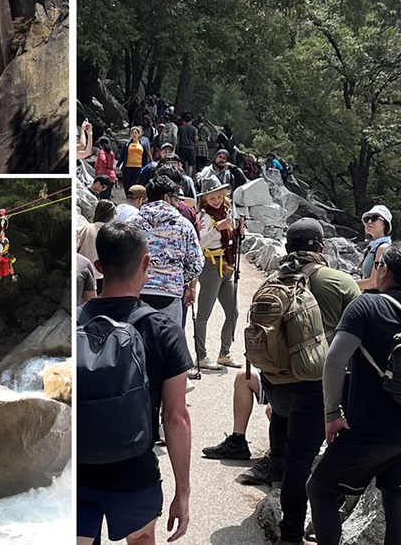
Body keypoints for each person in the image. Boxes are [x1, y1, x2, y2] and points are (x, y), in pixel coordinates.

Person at [214, 219, 360, 544]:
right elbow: (358, 338)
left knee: (281, 429)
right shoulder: (340, 282)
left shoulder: (274, 279)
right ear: (320, 247)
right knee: (301, 458)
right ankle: (291, 532)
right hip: (315, 386)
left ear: (288, 246)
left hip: (275, 381)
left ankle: (276, 493)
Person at [77, 221, 193, 545]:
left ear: (99, 268)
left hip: (76, 470)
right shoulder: (163, 329)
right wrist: (182, 493)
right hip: (133, 472)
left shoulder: (70, 322)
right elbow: (176, 417)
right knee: (141, 538)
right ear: (145, 263)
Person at [310, 242, 401, 545]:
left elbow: (334, 361)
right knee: (399, 502)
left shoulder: (366, 305)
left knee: (320, 489)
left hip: (371, 427)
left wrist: (332, 414)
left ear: (383, 270)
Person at [133, 177, 203, 330]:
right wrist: (177, 277)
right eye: (177, 199)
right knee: (168, 346)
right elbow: (196, 263)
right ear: (166, 197)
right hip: (170, 294)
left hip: (137, 292)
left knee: (138, 346)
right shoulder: (184, 225)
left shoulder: (132, 223)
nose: (179, 204)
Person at [193, 178, 242, 370]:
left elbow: (229, 237)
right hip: (211, 266)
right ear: (205, 198)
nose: (216, 200)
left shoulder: (225, 212)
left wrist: (237, 232)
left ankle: (224, 353)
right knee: (204, 313)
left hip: (225, 266)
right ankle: (201, 355)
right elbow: (200, 242)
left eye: (219, 196)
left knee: (233, 312)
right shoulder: (205, 217)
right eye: (212, 197)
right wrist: (216, 230)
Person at [78, 200, 115, 293]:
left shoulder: (85, 228)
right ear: (112, 215)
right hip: (104, 276)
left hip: (84, 273)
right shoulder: (113, 232)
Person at [357, 204, 393, 290]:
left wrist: (346, 284)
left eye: (374, 218)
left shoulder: (383, 248)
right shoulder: (373, 247)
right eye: (366, 219)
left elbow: (374, 282)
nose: (369, 222)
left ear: (385, 224)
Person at [120, 126, 147, 198]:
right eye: (132, 133)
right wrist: (118, 165)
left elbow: (144, 157)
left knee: (134, 183)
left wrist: (145, 168)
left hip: (138, 167)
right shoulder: (127, 144)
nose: (134, 134)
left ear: (139, 134)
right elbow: (122, 155)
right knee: (126, 183)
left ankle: (132, 196)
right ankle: (127, 196)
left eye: (136, 133)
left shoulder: (142, 145)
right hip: (127, 167)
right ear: (130, 134)